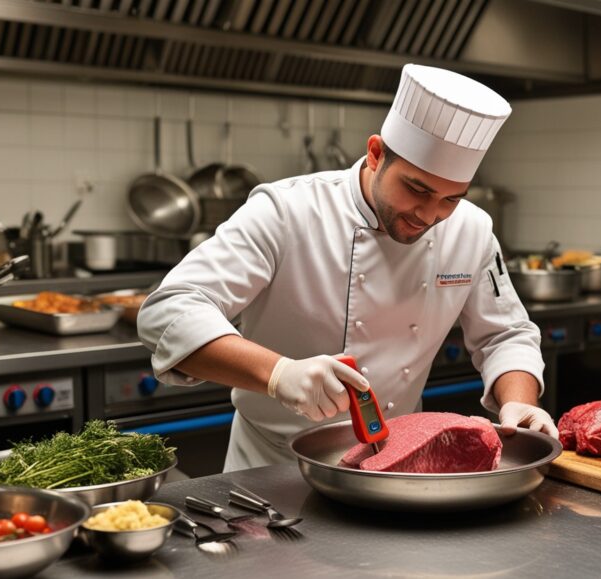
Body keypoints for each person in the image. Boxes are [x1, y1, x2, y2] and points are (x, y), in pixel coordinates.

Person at [138, 64, 558, 472]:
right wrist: (278, 374)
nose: (429, 215)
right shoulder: (288, 211)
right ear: (376, 154)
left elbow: (505, 333)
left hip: (402, 462)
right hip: (273, 467)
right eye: (416, 189)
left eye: (450, 198)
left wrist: (519, 401)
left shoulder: (472, 228)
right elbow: (169, 311)